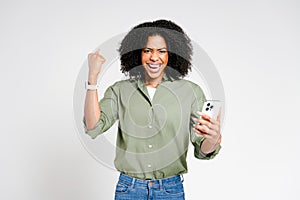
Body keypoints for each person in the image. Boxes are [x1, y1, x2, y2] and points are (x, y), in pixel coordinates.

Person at [83, 19, 222, 200]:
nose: (154, 57)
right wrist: (92, 77)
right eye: (147, 50)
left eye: (161, 51)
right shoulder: (120, 90)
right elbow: (93, 127)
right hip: (129, 189)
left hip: (170, 190)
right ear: (137, 54)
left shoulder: (191, 92)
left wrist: (213, 139)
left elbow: (202, 149)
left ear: (171, 54)